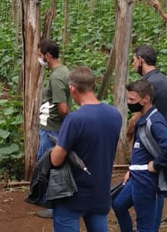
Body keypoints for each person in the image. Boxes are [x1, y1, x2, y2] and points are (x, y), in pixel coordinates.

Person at [49, 67, 121, 232]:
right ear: (94, 85)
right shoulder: (115, 115)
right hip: (101, 192)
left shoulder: (75, 119)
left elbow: (56, 159)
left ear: (72, 88)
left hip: (73, 195)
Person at [113, 79, 167, 232]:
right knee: (118, 204)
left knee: (145, 226)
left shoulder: (153, 121)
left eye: (132, 99)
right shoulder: (143, 118)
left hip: (145, 180)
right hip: (136, 175)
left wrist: (156, 165)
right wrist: (131, 169)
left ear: (146, 99)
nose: (129, 102)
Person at [35, 39, 71, 219]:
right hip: (54, 127)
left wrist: (68, 125)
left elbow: (62, 108)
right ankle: (47, 199)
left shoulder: (56, 77)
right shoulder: (64, 71)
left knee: (48, 164)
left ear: (48, 56)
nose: (39, 58)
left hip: (52, 128)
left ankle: (52, 205)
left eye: (40, 54)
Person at [132, 45, 167, 125]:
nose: (133, 64)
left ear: (140, 60)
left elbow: (136, 118)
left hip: (150, 134)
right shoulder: (165, 80)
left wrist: (128, 134)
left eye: (134, 60)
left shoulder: (148, 84)